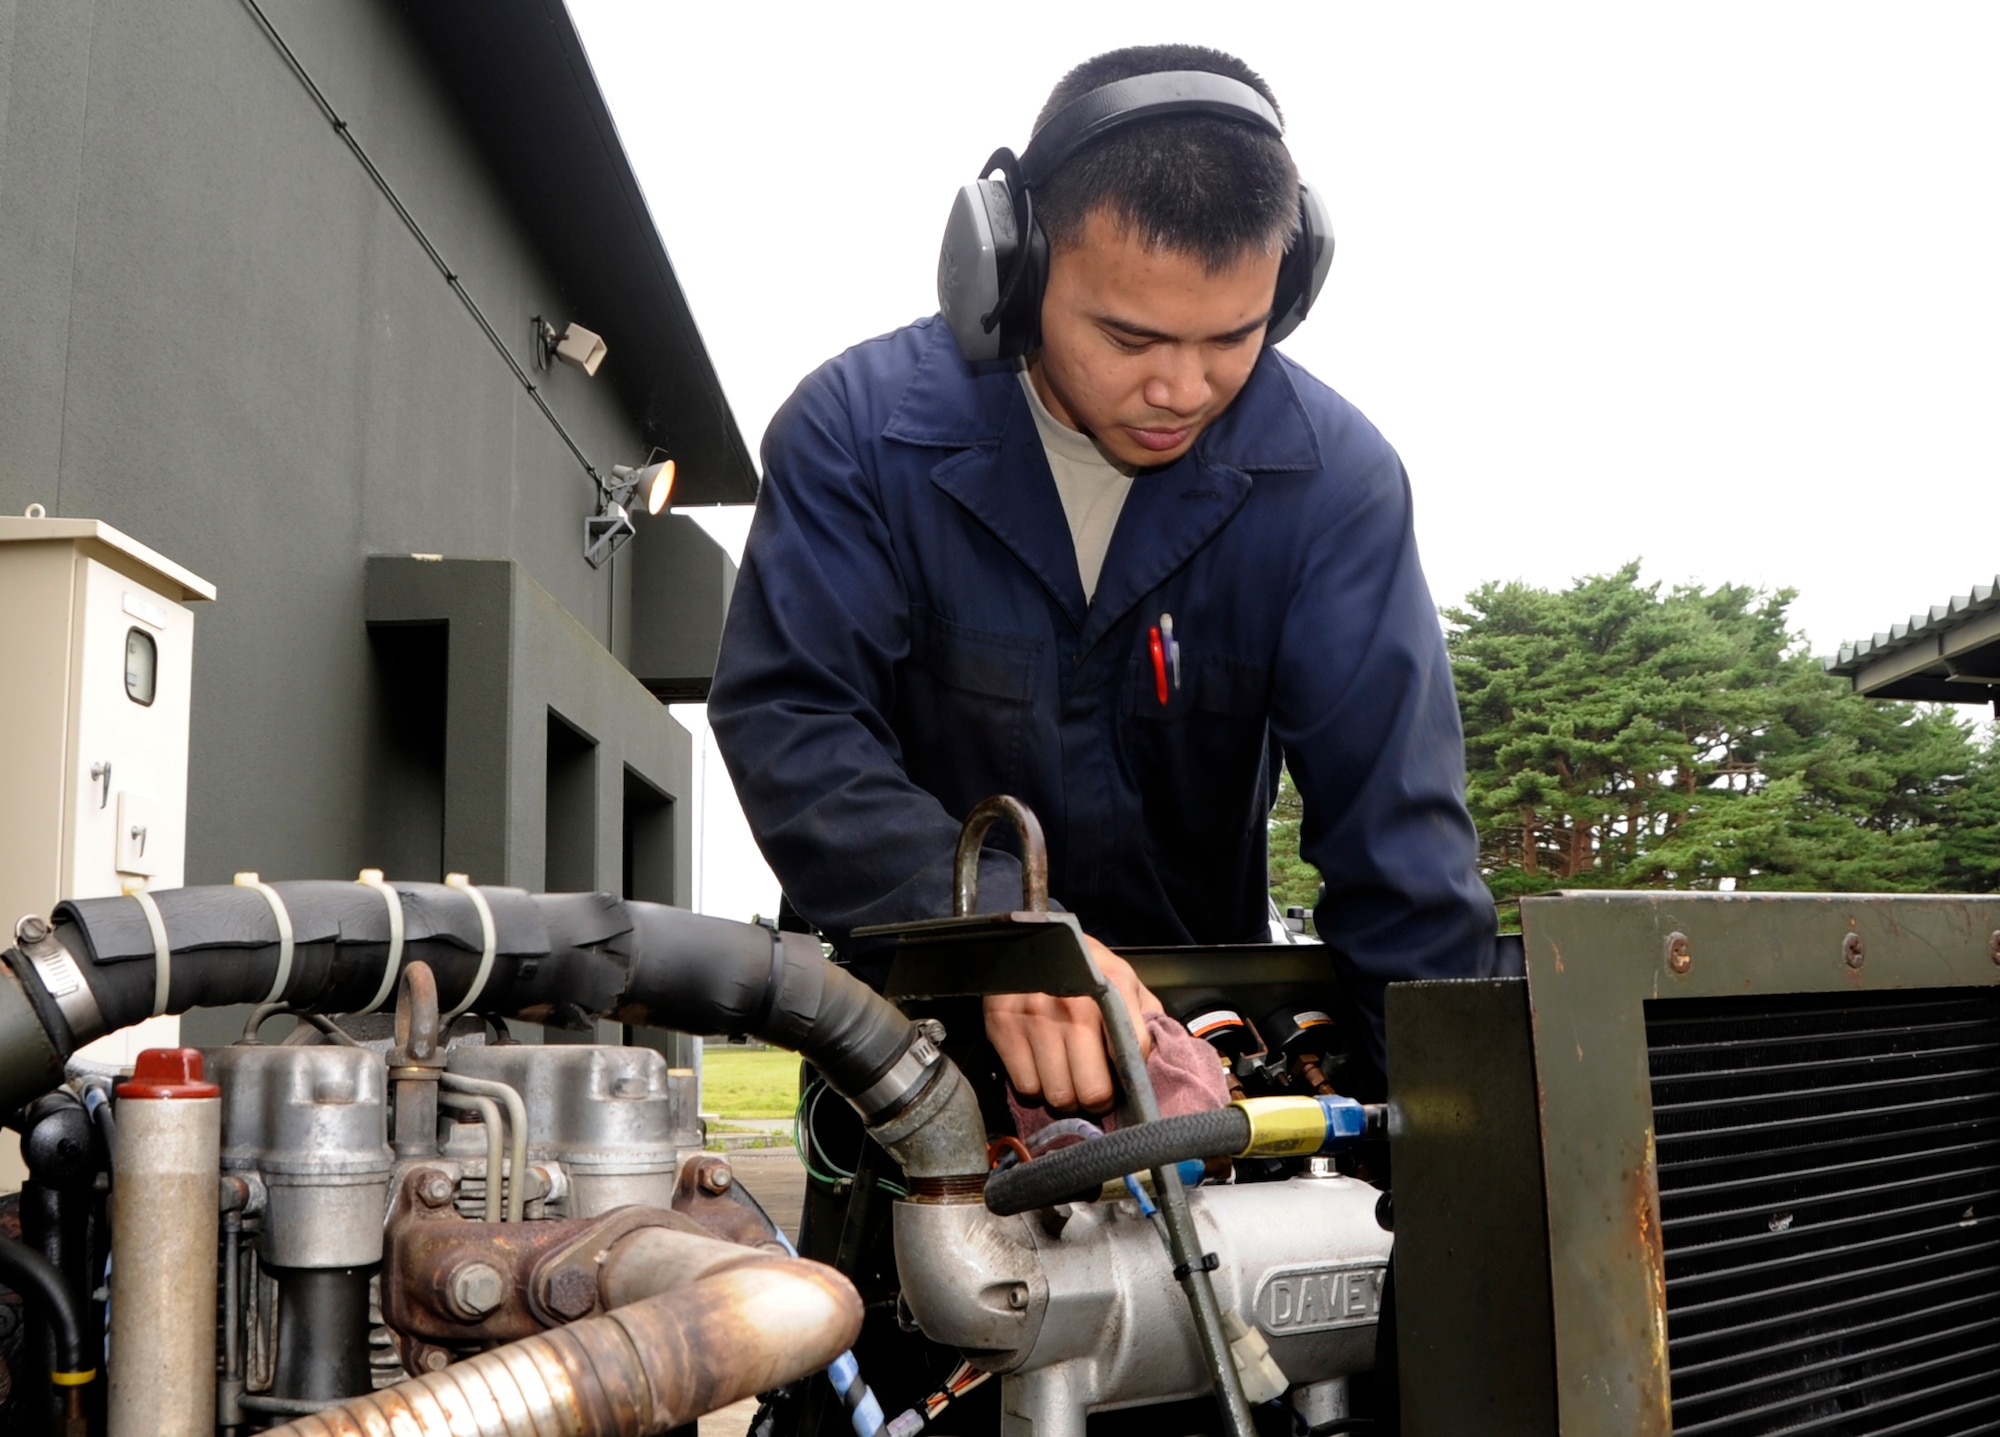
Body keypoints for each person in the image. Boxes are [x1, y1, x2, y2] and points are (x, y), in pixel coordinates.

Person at [709, 43, 1494, 1116]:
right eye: (1128, 336)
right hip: (901, 1051)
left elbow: (1397, 845)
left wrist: (1446, 1155)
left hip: (1199, 1066)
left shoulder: (1332, 484)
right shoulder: (856, 436)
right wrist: (1001, 928)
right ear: (1013, 269)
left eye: (1233, 338)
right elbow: (794, 724)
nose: (1180, 389)